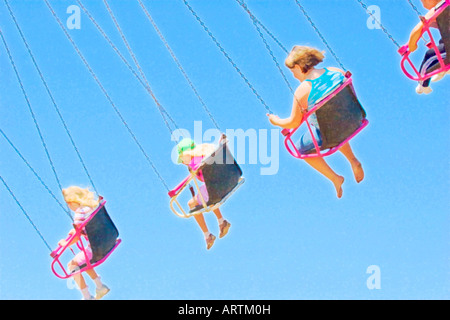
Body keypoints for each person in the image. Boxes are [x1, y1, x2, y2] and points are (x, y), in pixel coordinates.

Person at [267, 46, 364, 198]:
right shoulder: (334, 70)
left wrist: (276, 121)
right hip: (354, 118)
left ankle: (335, 178)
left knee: (300, 148)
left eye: (293, 72)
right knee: (333, 118)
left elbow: (292, 123)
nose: (293, 76)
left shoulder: (304, 90)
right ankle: (353, 160)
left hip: (330, 132)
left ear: (299, 67)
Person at [176, 137, 231, 250]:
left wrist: (192, 169)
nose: (182, 163)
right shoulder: (205, 153)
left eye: (182, 160)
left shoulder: (193, 161)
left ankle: (207, 236)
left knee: (191, 204)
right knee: (206, 194)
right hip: (228, 179)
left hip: (215, 186)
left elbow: (201, 176)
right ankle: (221, 221)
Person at [58, 186, 110, 300]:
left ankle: (87, 297)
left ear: (72, 202)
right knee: (84, 260)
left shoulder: (79, 214)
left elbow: (75, 238)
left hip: (95, 249)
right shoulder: (92, 207)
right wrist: (78, 230)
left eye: (68, 204)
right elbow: (90, 227)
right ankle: (100, 286)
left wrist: (64, 244)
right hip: (107, 242)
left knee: (72, 265)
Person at [408, 0, 448, 94]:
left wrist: (412, 45)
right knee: (441, 47)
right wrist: (430, 23)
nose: (422, 3)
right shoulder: (446, 7)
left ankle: (423, 84)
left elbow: (416, 30)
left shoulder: (438, 8)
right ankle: (441, 69)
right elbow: (441, 24)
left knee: (430, 55)